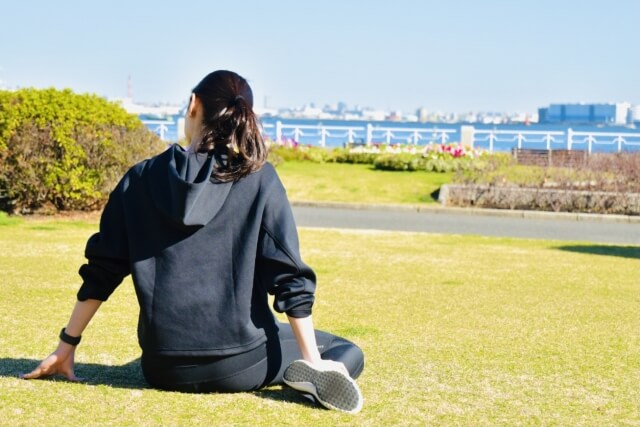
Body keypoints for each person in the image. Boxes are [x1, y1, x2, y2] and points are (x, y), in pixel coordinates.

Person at [22, 70, 364, 414]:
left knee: (282, 340)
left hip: (161, 367)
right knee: (346, 350)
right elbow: (288, 276)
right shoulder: (258, 177)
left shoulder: (139, 179)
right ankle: (309, 373)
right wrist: (312, 359)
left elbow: (103, 269)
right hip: (241, 363)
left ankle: (306, 370)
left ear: (192, 105)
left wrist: (66, 346)